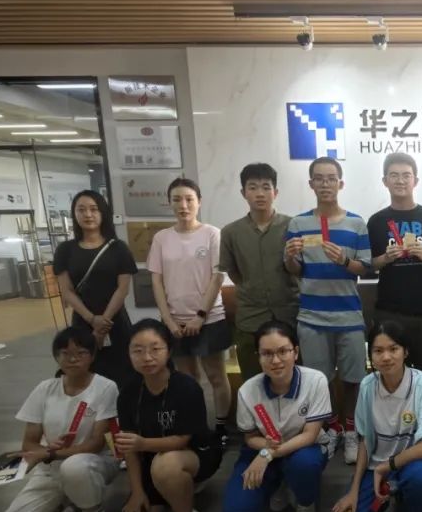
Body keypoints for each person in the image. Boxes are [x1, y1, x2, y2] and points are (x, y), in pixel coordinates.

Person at [0, 327, 119, 512]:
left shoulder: (106, 388)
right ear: (56, 356)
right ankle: (64, 500)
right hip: (49, 473)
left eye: (81, 353)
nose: (73, 359)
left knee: (74, 468)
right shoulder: (45, 389)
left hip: (91, 465)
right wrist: (46, 450)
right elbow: (30, 444)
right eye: (65, 353)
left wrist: (51, 454)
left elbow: (96, 444)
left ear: (92, 356)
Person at [331, 320, 422, 512]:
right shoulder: (367, 386)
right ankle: (382, 500)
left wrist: (386, 467)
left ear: (406, 351)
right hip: (376, 468)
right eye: (378, 351)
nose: (386, 357)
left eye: (393, 349)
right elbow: (363, 440)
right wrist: (353, 491)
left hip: (411, 464)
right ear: (370, 355)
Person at [285, 157, 372, 464]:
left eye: (331, 178)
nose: (325, 184)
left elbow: (366, 267)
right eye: (319, 179)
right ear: (311, 184)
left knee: (353, 379)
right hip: (311, 316)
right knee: (319, 381)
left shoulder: (356, 223)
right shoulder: (297, 224)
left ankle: (351, 431)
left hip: (349, 316)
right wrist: (290, 256)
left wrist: (344, 261)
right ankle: (332, 427)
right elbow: (294, 269)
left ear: (340, 183)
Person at [115, 319, 223, 512]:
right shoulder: (128, 393)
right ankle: (167, 501)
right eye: (138, 350)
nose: (147, 357)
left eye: (155, 349)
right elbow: (129, 448)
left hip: (193, 455)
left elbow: (182, 440)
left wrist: (142, 444)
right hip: (150, 463)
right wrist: (137, 492)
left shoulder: (186, 387)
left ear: (169, 351)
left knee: (166, 466)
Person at [222, 321, 331, 512]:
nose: (276, 360)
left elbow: (310, 435)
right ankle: (280, 481)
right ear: (258, 356)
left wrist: (268, 454)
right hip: (263, 447)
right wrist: (265, 450)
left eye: (283, 351)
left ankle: (305, 507)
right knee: (236, 511)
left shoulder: (315, 381)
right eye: (267, 354)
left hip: (302, 448)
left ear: (296, 352)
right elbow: (250, 437)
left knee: (304, 464)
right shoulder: (247, 391)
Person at [149, 177, 231, 447]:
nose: (183, 205)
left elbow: (218, 277)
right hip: (174, 321)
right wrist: (168, 320)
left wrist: (200, 315)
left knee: (216, 376)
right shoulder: (162, 238)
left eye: (189, 199)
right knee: (186, 379)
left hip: (210, 318)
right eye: (176, 200)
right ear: (169, 203)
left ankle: (221, 427)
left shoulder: (212, 234)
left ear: (199, 202)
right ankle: (195, 427)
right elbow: (157, 282)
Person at [367, 153, 422, 383]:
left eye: (406, 175)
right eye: (394, 175)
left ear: (415, 181)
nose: (400, 180)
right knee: (389, 376)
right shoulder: (376, 221)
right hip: (389, 311)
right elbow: (368, 266)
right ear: (385, 181)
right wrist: (385, 258)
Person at [219, 163, 300, 383]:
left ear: (276, 192)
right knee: (253, 380)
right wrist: (251, 287)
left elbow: (301, 268)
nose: (260, 193)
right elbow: (232, 272)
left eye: (266, 187)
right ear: (243, 192)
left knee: (294, 379)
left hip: (289, 314)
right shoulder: (231, 232)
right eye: (253, 187)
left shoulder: (293, 226)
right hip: (250, 317)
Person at [54, 190, 138, 385]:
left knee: (123, 372)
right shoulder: (65, 250)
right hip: (82, 321)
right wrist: (92, 319)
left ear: (103, 213)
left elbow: (122, 289)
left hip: (116, 321)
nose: (88, 214)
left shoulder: (118, 248)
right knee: (86, 371)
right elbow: (67, 291)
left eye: (94, 209)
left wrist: (102, 323)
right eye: (81, 210)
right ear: (74, 214)